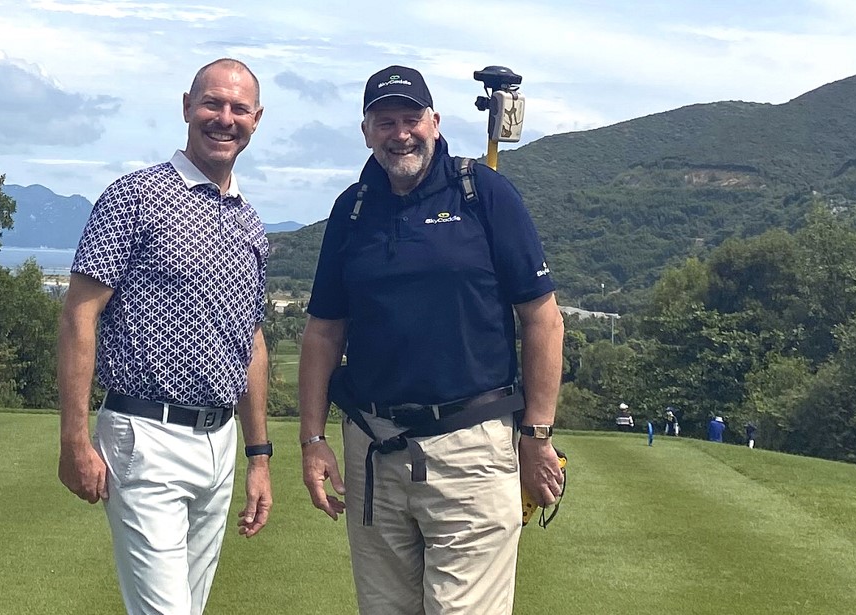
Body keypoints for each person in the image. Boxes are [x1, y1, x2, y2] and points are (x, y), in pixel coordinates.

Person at [298, 64, 565, 615]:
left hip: (471, 448)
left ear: (435, 122)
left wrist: (538, 433)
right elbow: (324, 331)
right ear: (366, 130)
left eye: (411, 118)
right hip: (374, 449)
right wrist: (311, 438)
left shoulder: (482, 192)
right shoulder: (351, 210)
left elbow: (542, 318)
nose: (401, 132)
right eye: (385, 120)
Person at [56, 58, 273, 615]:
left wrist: (258, 456)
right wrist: (74, 440)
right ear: (186, 107)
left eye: (238, 108)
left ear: (256, 119)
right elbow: (80, 314)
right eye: (212, 104)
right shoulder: (134, 197)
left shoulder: (249, 220)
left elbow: (250, 341)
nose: (224, 118)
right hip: (142, 436)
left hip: (220, 443)